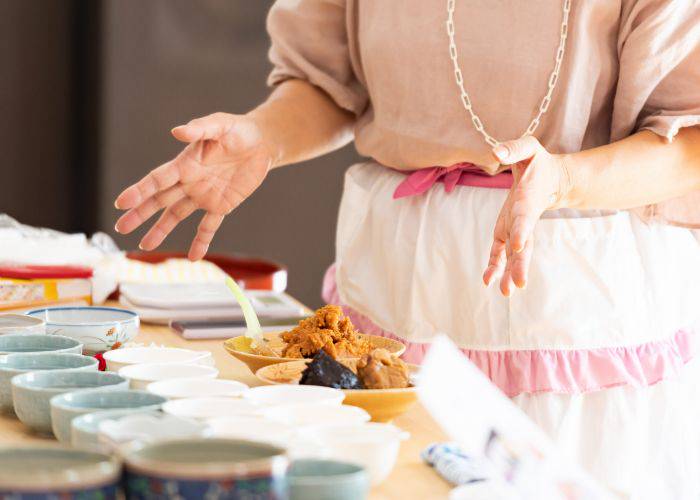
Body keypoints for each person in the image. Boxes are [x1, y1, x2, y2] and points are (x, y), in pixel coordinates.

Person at [114, 1, 700, 497]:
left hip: (572, 305)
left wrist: (563, 180)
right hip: (398, 281)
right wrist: (265, 138)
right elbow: (325, 81)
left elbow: (688, 140)